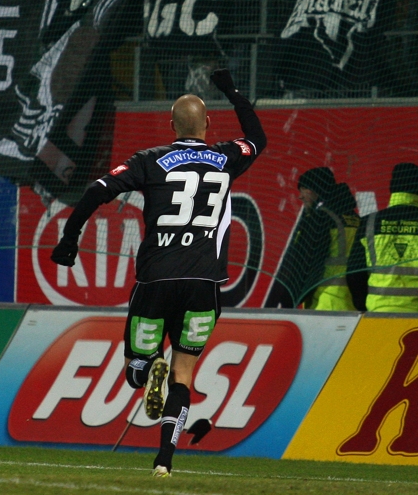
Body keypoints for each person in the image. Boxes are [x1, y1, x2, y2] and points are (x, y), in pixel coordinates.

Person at [51, 68, 266, 477]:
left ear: (171, 126)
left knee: (135, 367)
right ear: (208, 124)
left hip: (156, 279)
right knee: (184, 374)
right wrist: (232, 90)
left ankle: (147, 367)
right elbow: (258, 138)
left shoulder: (150, 160)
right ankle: (165, 460)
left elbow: (97, 189)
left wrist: (69, 238)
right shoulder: (225, 157)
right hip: (204, 283)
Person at [264, 166, 359, 310]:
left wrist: (288, 300)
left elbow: (302, 265)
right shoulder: (356, 219)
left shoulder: (318, 219)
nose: (300, 196)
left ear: (315, 190)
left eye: (303, 190)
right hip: (353, 305)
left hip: (325, 304)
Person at [347, 162, 418, 313]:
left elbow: (354, 273)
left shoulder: (369, 222)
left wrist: (363, 305)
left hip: (379, 313)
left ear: (392, 187)